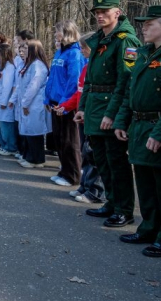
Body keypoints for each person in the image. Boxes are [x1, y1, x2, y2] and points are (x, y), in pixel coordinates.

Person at [112, 5, 161, 258]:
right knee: (145, 184)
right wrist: (121, 121)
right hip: (138, 126)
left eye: (149, 24)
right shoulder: (144, 53)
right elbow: (130, 90)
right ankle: (148, 228)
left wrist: (160, 133)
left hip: (160, 127)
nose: (143, 28)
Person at [74, 0, 141, 228]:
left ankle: (124, 209)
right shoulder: (99, 39)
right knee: (101, 160)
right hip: (94, 107)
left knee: (116, 163)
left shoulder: (126, 40)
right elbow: (90, 79)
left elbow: (126, 80)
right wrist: (82, 108)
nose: (100, 15)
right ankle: (111, 203)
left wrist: (112, 114)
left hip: (110, 107)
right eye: (96, 12)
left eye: (105, 11)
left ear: (117, 12)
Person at [58, 33, 106, 204]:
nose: (82, 50)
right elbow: (79, 93)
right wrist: (67, 106)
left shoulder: (99, 68)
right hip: (81, 116)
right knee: (85, 154)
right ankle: (86, 185)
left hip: (92, 117)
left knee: (93, 155)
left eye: (84, 47)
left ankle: (96, 191)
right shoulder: (87, 66)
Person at [46, 21, 86, 186]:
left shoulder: (75, 54)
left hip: (66, 103)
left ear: (67, 33)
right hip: (55, 102)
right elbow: (53, 78)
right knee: (59, 139)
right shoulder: (59, 52)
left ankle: (73, 175)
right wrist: (47, 98)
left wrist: (64, 103)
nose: (56, 34)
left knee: (70, 141)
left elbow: (73, 81)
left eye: (58, 31)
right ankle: (64, 171)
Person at [14, 40, 51, 168]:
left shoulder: (38, 66)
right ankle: (29, 156)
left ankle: (37, 160)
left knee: (35, 132)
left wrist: (25, 103)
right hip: (28, 103)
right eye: (21, 48)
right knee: (28, 132)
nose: (22, 51)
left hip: (34, 104)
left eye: (26, 48)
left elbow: (33, 86)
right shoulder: (29, 64)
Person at [0, 43, 18, 157]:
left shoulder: (9, 67)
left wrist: (4, 101)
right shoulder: (1, 65)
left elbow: (7, 86)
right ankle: (4, 145)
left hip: (5, 102)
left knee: (6, 125)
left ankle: (10, 147)